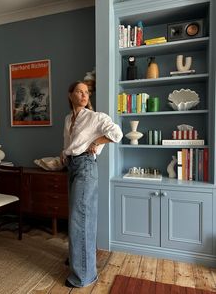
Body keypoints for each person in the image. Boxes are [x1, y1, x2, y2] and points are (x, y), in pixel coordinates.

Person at [60, 81, 123, 288]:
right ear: (71, 95)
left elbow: (116, 133)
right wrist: (64, 154)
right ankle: (79, 259)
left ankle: (84, 276)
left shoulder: (95, 117)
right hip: (72, 166)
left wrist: (96, 143)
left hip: (86, 167)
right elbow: (69, 144)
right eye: (79, 91)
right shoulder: (69, 119)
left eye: (87, 92)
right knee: (77, 216)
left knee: (81, 218)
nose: (84, 95)